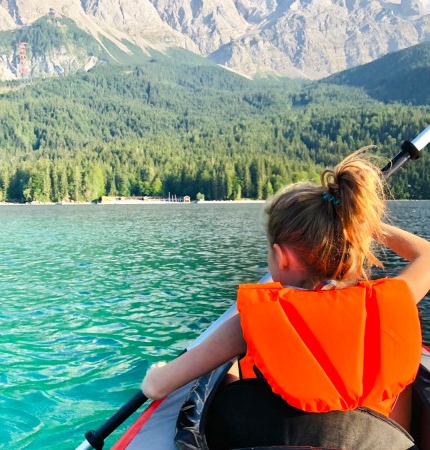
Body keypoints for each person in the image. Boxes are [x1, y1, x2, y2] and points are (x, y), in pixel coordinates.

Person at [141, 151, 430, 449]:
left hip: (280, 439)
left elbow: (155, 387)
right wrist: (362, 224)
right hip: (376, 441)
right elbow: (427, 255)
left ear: (282, 257)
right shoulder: (394, 299)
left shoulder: (246, 325)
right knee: (399, 389)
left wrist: (157, 373)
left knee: (230, 373)